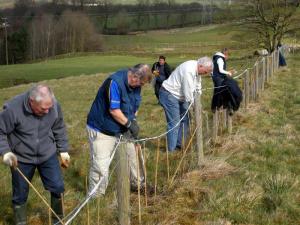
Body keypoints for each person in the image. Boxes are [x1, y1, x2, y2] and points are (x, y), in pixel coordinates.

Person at [0, 84, 70, 225]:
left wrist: (63, 150)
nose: (47, 111)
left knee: (57, 187)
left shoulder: (53, 106)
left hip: (47, 154)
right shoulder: (13, 109)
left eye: (49, 107)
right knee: (20, 194)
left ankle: (58, 221)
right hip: (22, 158)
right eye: (44, 108)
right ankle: (20, 222)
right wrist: (5, 152)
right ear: (32, 102)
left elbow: (59, 126)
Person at [86, 63, 153, 198]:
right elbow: (114, 110)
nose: (141, 87)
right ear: (134, 77)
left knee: (133, 155)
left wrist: (132, 120)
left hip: (122, 127)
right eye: (141, 83)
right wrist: (129, 124)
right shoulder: (114, 83)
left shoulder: (136, 86)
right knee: (101, 165)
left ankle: (139, 185)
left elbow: (134, 105)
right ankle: (96, 197)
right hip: (102, 129)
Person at [159, 57, 213, 152]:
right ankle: (171, 151)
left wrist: (198, 97)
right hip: (169, 94)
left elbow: (197, 84)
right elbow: (187, 92)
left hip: (180, 96)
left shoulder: (197, 68)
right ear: (201, 66)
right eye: (205, 72)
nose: (205, 74)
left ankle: (178, 145)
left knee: (186, 119)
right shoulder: (189, 70)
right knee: (175, 123)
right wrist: (194, 106)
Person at [211, 48, 242, 114]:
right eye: (228, 56)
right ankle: (215, 107)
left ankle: (218, 107)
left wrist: (228, 72)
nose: (228, 58)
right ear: (226, 54)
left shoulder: (218, 58)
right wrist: (229, 73)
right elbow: (220, 70)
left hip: (218, 77)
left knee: (219, 91)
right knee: (218, 92)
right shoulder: (220, 59)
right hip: (218, 78)